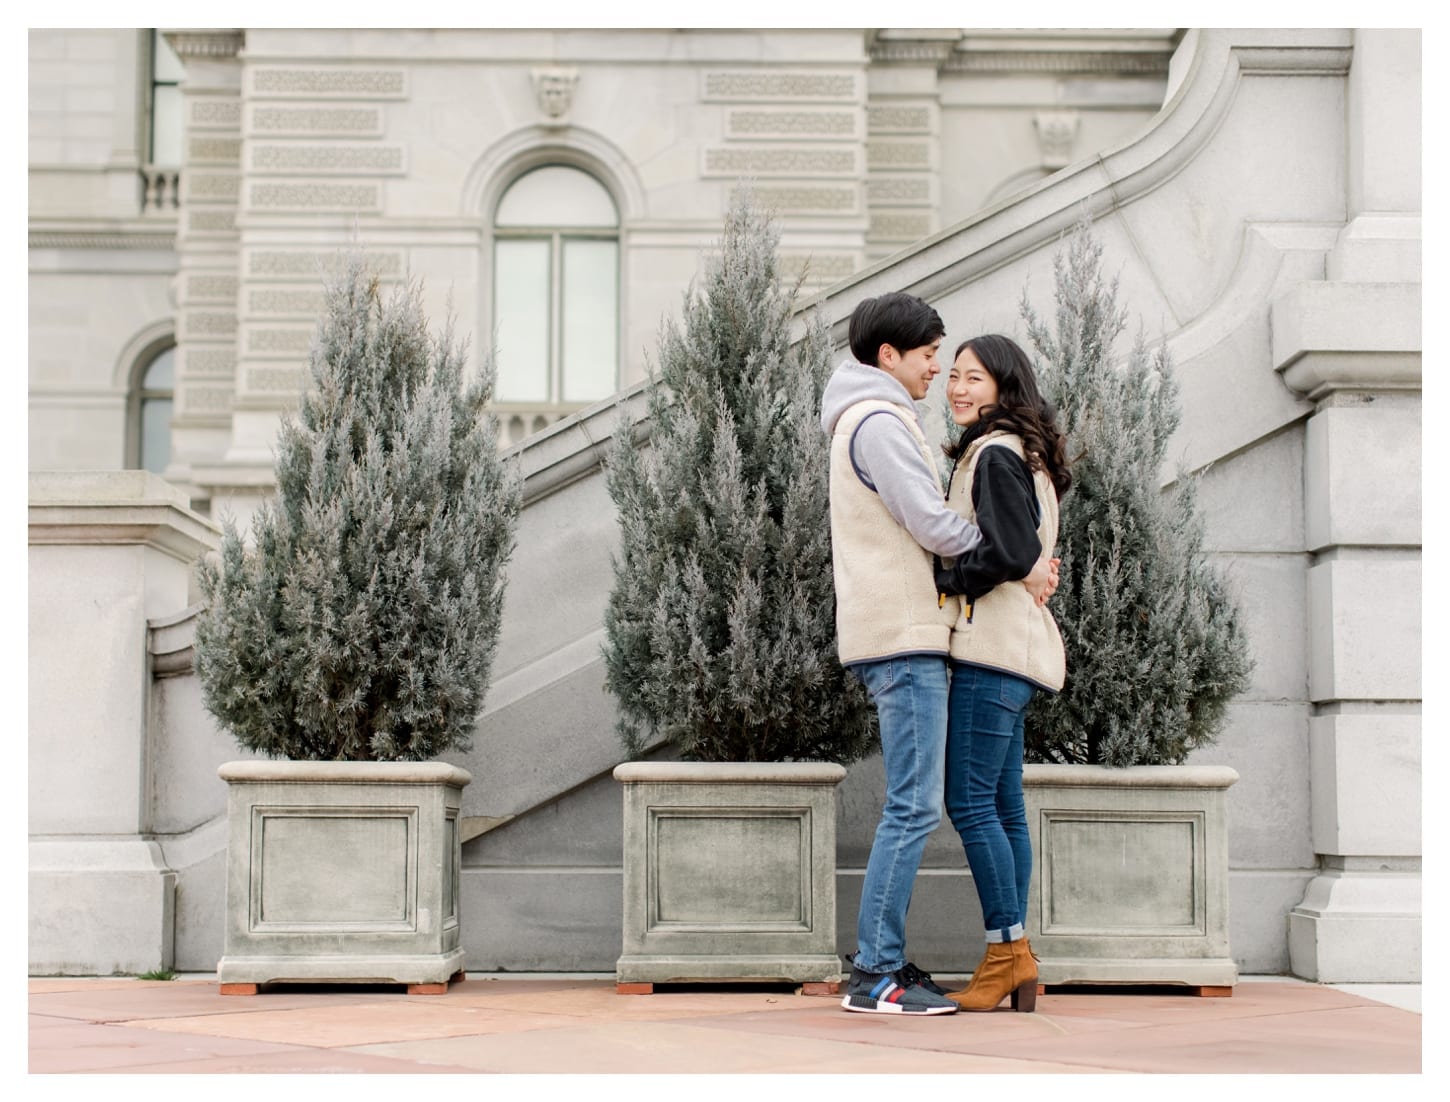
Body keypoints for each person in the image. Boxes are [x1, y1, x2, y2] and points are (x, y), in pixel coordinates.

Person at [821, 295, 1054, 1016]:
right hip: (903, 634)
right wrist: (1013, 560)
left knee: (949, 803)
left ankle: (991, 956)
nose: (941, 376)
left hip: (917, 634)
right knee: (918, 807)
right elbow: (926, 519)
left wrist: (1018, 559)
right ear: (888, 356)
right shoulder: (881, 423)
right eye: (933, 358)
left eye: (963, 371)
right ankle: (877, 974)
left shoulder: (893, 423)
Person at [932, 333, 1072, 1013]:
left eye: (974, 378)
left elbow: (1012, 551)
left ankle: (1006, 952)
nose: (958, 388)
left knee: (967, 801)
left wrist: (947, 576)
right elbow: (1031, 554)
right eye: (953, 376)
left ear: (1005, 386)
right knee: (1004, 806)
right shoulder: (1029, 453)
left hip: (991, 651)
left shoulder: (992, 452)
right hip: (1019, 653)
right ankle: (1018, 957)